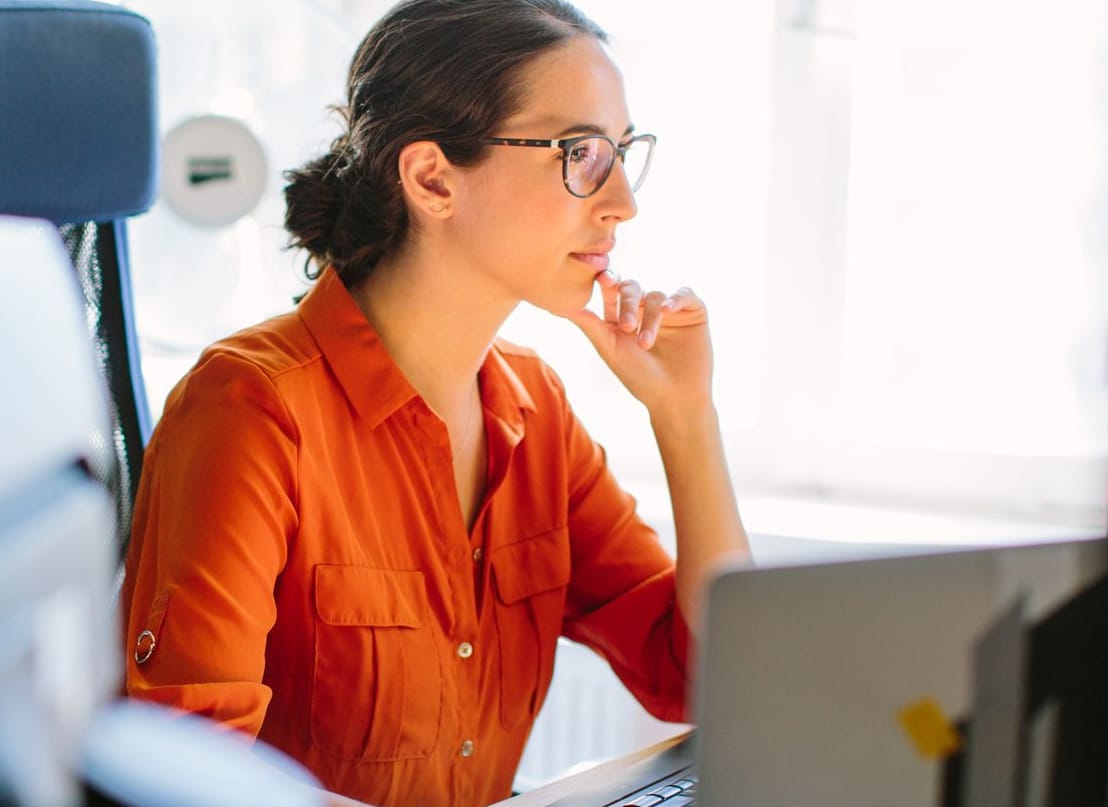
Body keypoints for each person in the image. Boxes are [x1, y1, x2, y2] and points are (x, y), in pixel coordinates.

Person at [118, 1, 751, 804]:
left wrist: (686, 415)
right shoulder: (252, 409)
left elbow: (704, 681)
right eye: (582, 154)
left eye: (624, 153)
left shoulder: (536, 412)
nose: (623, 200)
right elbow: (188, 780)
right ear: (432, 178)